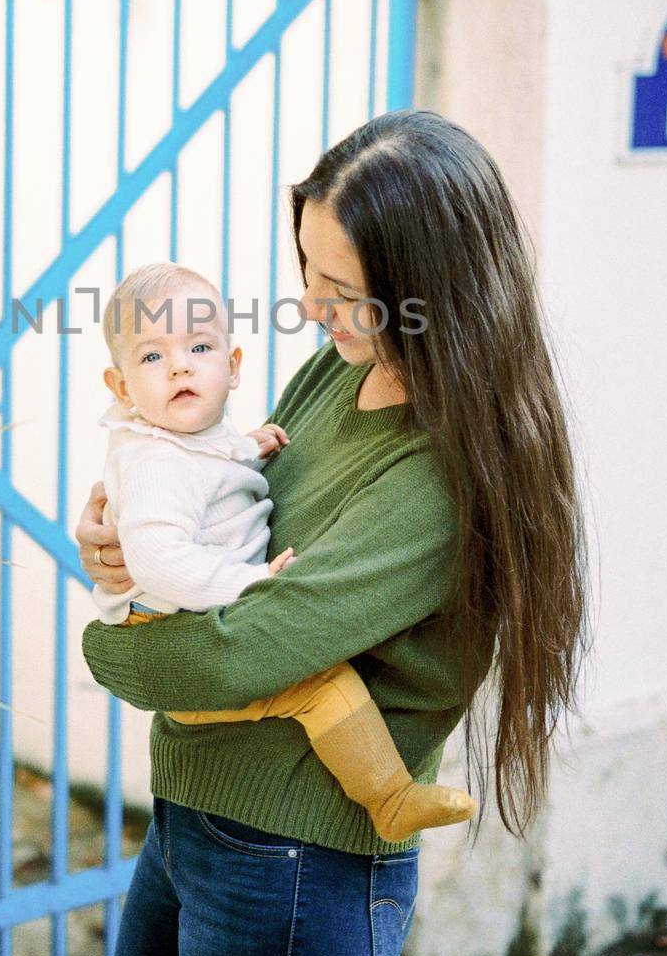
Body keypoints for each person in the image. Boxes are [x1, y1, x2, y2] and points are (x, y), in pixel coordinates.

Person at [75, 110, 589, 956]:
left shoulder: (437, 478)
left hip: (294, 871)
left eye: (342, 290)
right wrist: (114, 543)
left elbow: (238, 654)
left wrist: (110, 648)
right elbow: (221, 525)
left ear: (428, 293)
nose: (311, 309)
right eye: (307, 273)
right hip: (192, 819)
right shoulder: (337, 368)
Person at [92, 258, 477, 841]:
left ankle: (390, 798)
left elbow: (210, 487)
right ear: (121, 387)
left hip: (291, 844)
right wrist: (247, 584)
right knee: (324, 688)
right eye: (151, 357)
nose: (177, 367)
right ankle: (389, 798)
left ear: (233, 364)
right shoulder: (157, 459)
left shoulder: (425, 469)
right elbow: (162, 556)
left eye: (198, 348)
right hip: (174, 654)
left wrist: (245, 448)